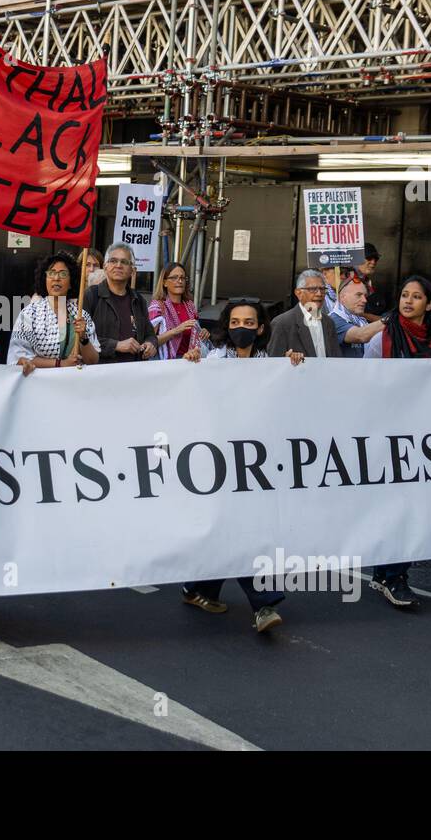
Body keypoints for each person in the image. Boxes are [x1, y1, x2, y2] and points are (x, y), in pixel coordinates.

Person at [181, 298, 288, 632]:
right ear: (227, 326)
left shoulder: (269, 362)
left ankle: (199, 587)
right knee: (239, 531)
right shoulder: (213, 359)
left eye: (249, 322)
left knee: (231, 528)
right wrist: (191, 365)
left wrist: (295, 368)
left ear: (260, 327)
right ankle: (264, 604)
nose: (242, 328)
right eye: (236, 322)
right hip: (219, 459)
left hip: (255, 460)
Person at [362, 274, 431, 609]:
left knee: (413, 506)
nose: (408, 301)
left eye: (416, 297)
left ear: (428, 304)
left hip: (421, 436)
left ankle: (388, 573)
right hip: (387, 431)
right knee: (397, 505)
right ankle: (394, 577)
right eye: (404, 295)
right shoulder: (382, 336)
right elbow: (366, 380)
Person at [7, 252, 99, 372]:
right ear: (45, 280)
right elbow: (18, 359)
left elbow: (93, 361)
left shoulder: (81, 315)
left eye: (63, 274)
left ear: (71, 282)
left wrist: (84, 338)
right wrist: (60, 364)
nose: (56, 278)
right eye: (51, 273)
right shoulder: (29, 314)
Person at [82, 243, 158, 363]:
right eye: (113, 261)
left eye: (124, 262)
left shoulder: (139, 300)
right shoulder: (90, 296)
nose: (118, 265)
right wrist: (116, 345)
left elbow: (150, 334)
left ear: (132, 270)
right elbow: (81, 337)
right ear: (105, 266)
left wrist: (150, 344)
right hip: (101, 372)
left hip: (134, 372)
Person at [267, 269, 340, 362]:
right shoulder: (282, 323)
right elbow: (274, 364)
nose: (319, 294)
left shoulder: (329, 322)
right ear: (298, 293)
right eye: (313, 289)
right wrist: (286, 360)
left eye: (322, 289)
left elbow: (336, 359)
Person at [148, 261, 204, 360]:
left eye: (182, 278)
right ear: (164, 282)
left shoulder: (190, 306)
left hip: (191, 361)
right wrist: (175, 331)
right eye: (174, 278)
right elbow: (149, 341)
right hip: (167, 366)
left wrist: (203, 333)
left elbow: (195, 335)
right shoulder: (157, 306)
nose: (180, 281)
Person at [329, 272, 384, 358]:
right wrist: (392, 319)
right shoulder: (333, 320)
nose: (365, 300)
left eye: (365, 296)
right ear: (342, 297)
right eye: (359, 295)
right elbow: (361, 335)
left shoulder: (359, 319)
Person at [357, 243, 387, 321]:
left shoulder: (367, 281)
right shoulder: (346, 280)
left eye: (376, 259)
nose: (373, 262)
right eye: (369, 258)